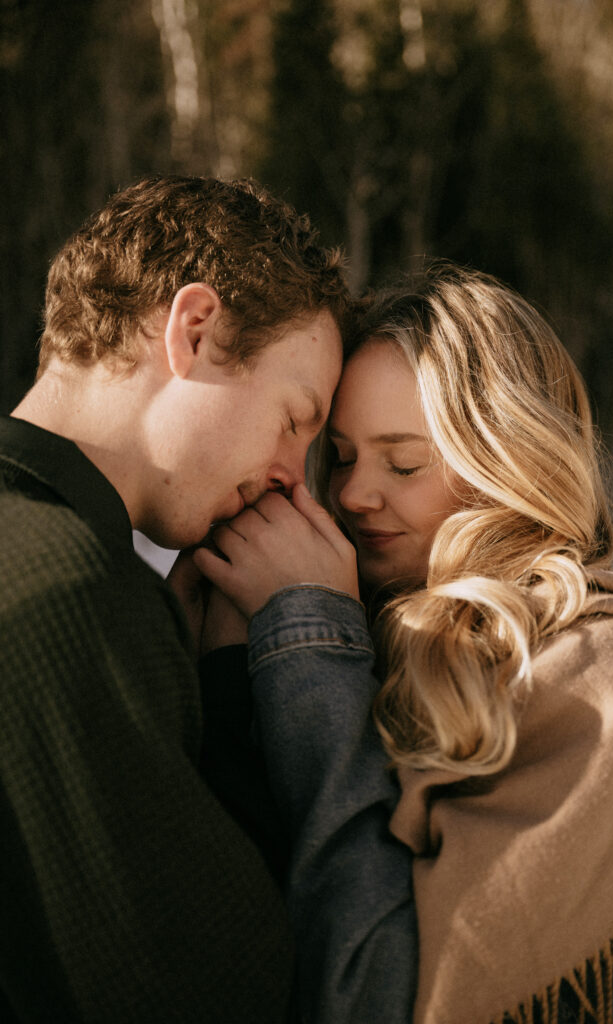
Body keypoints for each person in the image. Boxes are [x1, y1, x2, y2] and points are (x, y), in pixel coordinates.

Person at [196, 264, 613, 1024]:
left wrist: (309, 636)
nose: (352, 495)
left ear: (507, 462)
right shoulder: (368, 627)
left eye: (405, 462)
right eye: (344, 456)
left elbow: (380, 997)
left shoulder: (606, 674)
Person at [0, 173, 356, 1023]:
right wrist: (239, 677)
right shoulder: (66, 588)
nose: (290, 477)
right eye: (294, 418)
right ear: (193, 330)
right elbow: (228, 991)